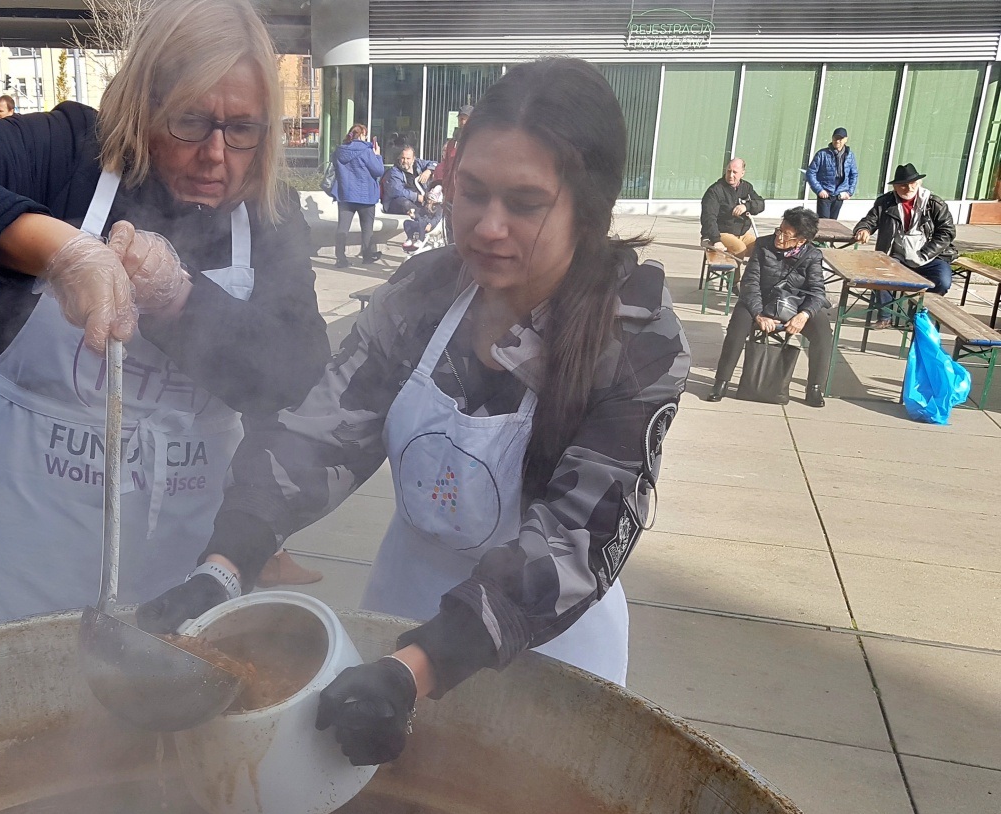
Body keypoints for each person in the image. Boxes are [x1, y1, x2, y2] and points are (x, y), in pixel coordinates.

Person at [139, 58, 691, 766]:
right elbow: (321, 430)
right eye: (473, 193)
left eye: (524, 204)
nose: (487, 226)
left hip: (546, 631)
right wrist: (221, 566)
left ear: (588, 207)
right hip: (405, 605)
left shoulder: (634, 334)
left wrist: (415, 670)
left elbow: (576, 537)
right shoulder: (426, 292)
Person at [0, 0, 329, 637]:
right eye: (190, 122)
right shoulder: (68, 154)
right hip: (20, 558)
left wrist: (178, 302)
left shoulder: (268, 215)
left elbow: (295, 371)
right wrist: (60, 250)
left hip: (182, 572)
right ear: (144, 103)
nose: (218, 154)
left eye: (243, 129)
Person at [708, 207, 830, 407]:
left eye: (786, 235)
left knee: (822, 329)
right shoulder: (763, 245)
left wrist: (804, 315)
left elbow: (818, 292)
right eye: (779, 230)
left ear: (801, 241)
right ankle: (721, 382)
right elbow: (749, 283)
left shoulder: (812, 255)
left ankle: (815, 388)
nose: (779, 236)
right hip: (761, 301)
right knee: (738, 324)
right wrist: (758, 314)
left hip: (794, 305)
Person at [852, 163, 956, 327]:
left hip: (931, 256)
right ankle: (885, 316)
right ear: (895, 187)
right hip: (897, 255)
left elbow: (947, 232)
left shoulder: (934, 203)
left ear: (919, 183)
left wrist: (926, 253)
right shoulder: (885, 202)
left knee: (943, 281)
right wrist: (863, 229)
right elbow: (869, 220)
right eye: (903, 185)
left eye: (912, 183)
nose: (908, 188)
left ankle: (917, 313)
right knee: (881, 274)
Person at [329, 123, 383, 267]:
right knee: (367, 228)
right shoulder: (367, 151)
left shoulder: (340, 151)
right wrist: (377, 156)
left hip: (345, 195)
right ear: (362, 135)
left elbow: (334, 166)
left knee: (342, 227)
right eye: (365, 134)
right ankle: (367, 256)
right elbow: (378, 171)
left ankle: (340, 258)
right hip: (366, 196)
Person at [700, 158, 764, 259]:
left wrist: (746, 206)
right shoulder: (715, 191)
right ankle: (735, 275)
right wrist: (716, 240)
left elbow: (761, 204)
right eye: (729, 171)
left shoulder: (747, 187)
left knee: (762, 249)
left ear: (742, 173)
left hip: (742, 233)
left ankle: (752, 274)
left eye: (735, 172)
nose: (731, 175)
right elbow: (708, 218)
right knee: (739, 249)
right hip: (721, 232)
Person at [805, 127, 857, 220]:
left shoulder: (850, 155)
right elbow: (810, 173)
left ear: (846, 139)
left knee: (833, 222)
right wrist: (819, 190)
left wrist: (849, 192)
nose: (837, 141)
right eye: (835, 138)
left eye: (840, 139)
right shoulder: (822, 154)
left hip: (839, 195)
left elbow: (854, 174)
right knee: (824, 222)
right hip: (825, 193)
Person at [381, 144, 436, 216]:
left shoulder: (418, 164)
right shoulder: (394, 172)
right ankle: (423, 214)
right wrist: (416, 197)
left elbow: (435, 163)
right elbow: (397, 191)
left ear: (413, 159)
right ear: (399, 158)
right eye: (403, 158)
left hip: (421, 198)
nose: (405, 161)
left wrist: (429, 171)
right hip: (396, 202)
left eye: (408, 158)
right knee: (405, 203)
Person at [431, 104, 471, 188]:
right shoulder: (451, 143)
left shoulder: (477, 142)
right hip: (451, 188)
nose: (462, 122)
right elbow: (446, 166)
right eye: (460, 119)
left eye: (465, 119)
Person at [402, 183, 442, 252]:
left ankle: (421, 240)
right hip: (421, 223)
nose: (429, 201)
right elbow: (420, 215)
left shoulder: (438, 208)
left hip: (430, 225)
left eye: (431, 200)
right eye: (428, 199)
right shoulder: (425, 206)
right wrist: (414, 216)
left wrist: (430, 224)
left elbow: (437, 219)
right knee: (407, 222)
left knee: (421, 222)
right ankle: (410, 238)